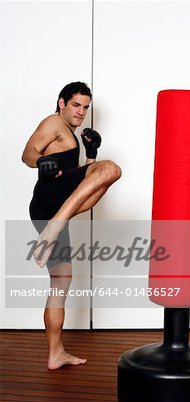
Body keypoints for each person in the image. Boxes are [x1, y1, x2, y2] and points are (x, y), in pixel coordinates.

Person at [22, 81, 122, 370]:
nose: (81, 112)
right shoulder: (53, 122)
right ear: (62, 102)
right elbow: (27, 153)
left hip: (49, 207)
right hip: (50, 208)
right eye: (76, 105)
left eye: (86, 107)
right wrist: (41, 161)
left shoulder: (70, 134)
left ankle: (56, 353)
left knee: (60, 281)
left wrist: (90, 154)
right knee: (111, 169)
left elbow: (79, 180)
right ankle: (55, 227)